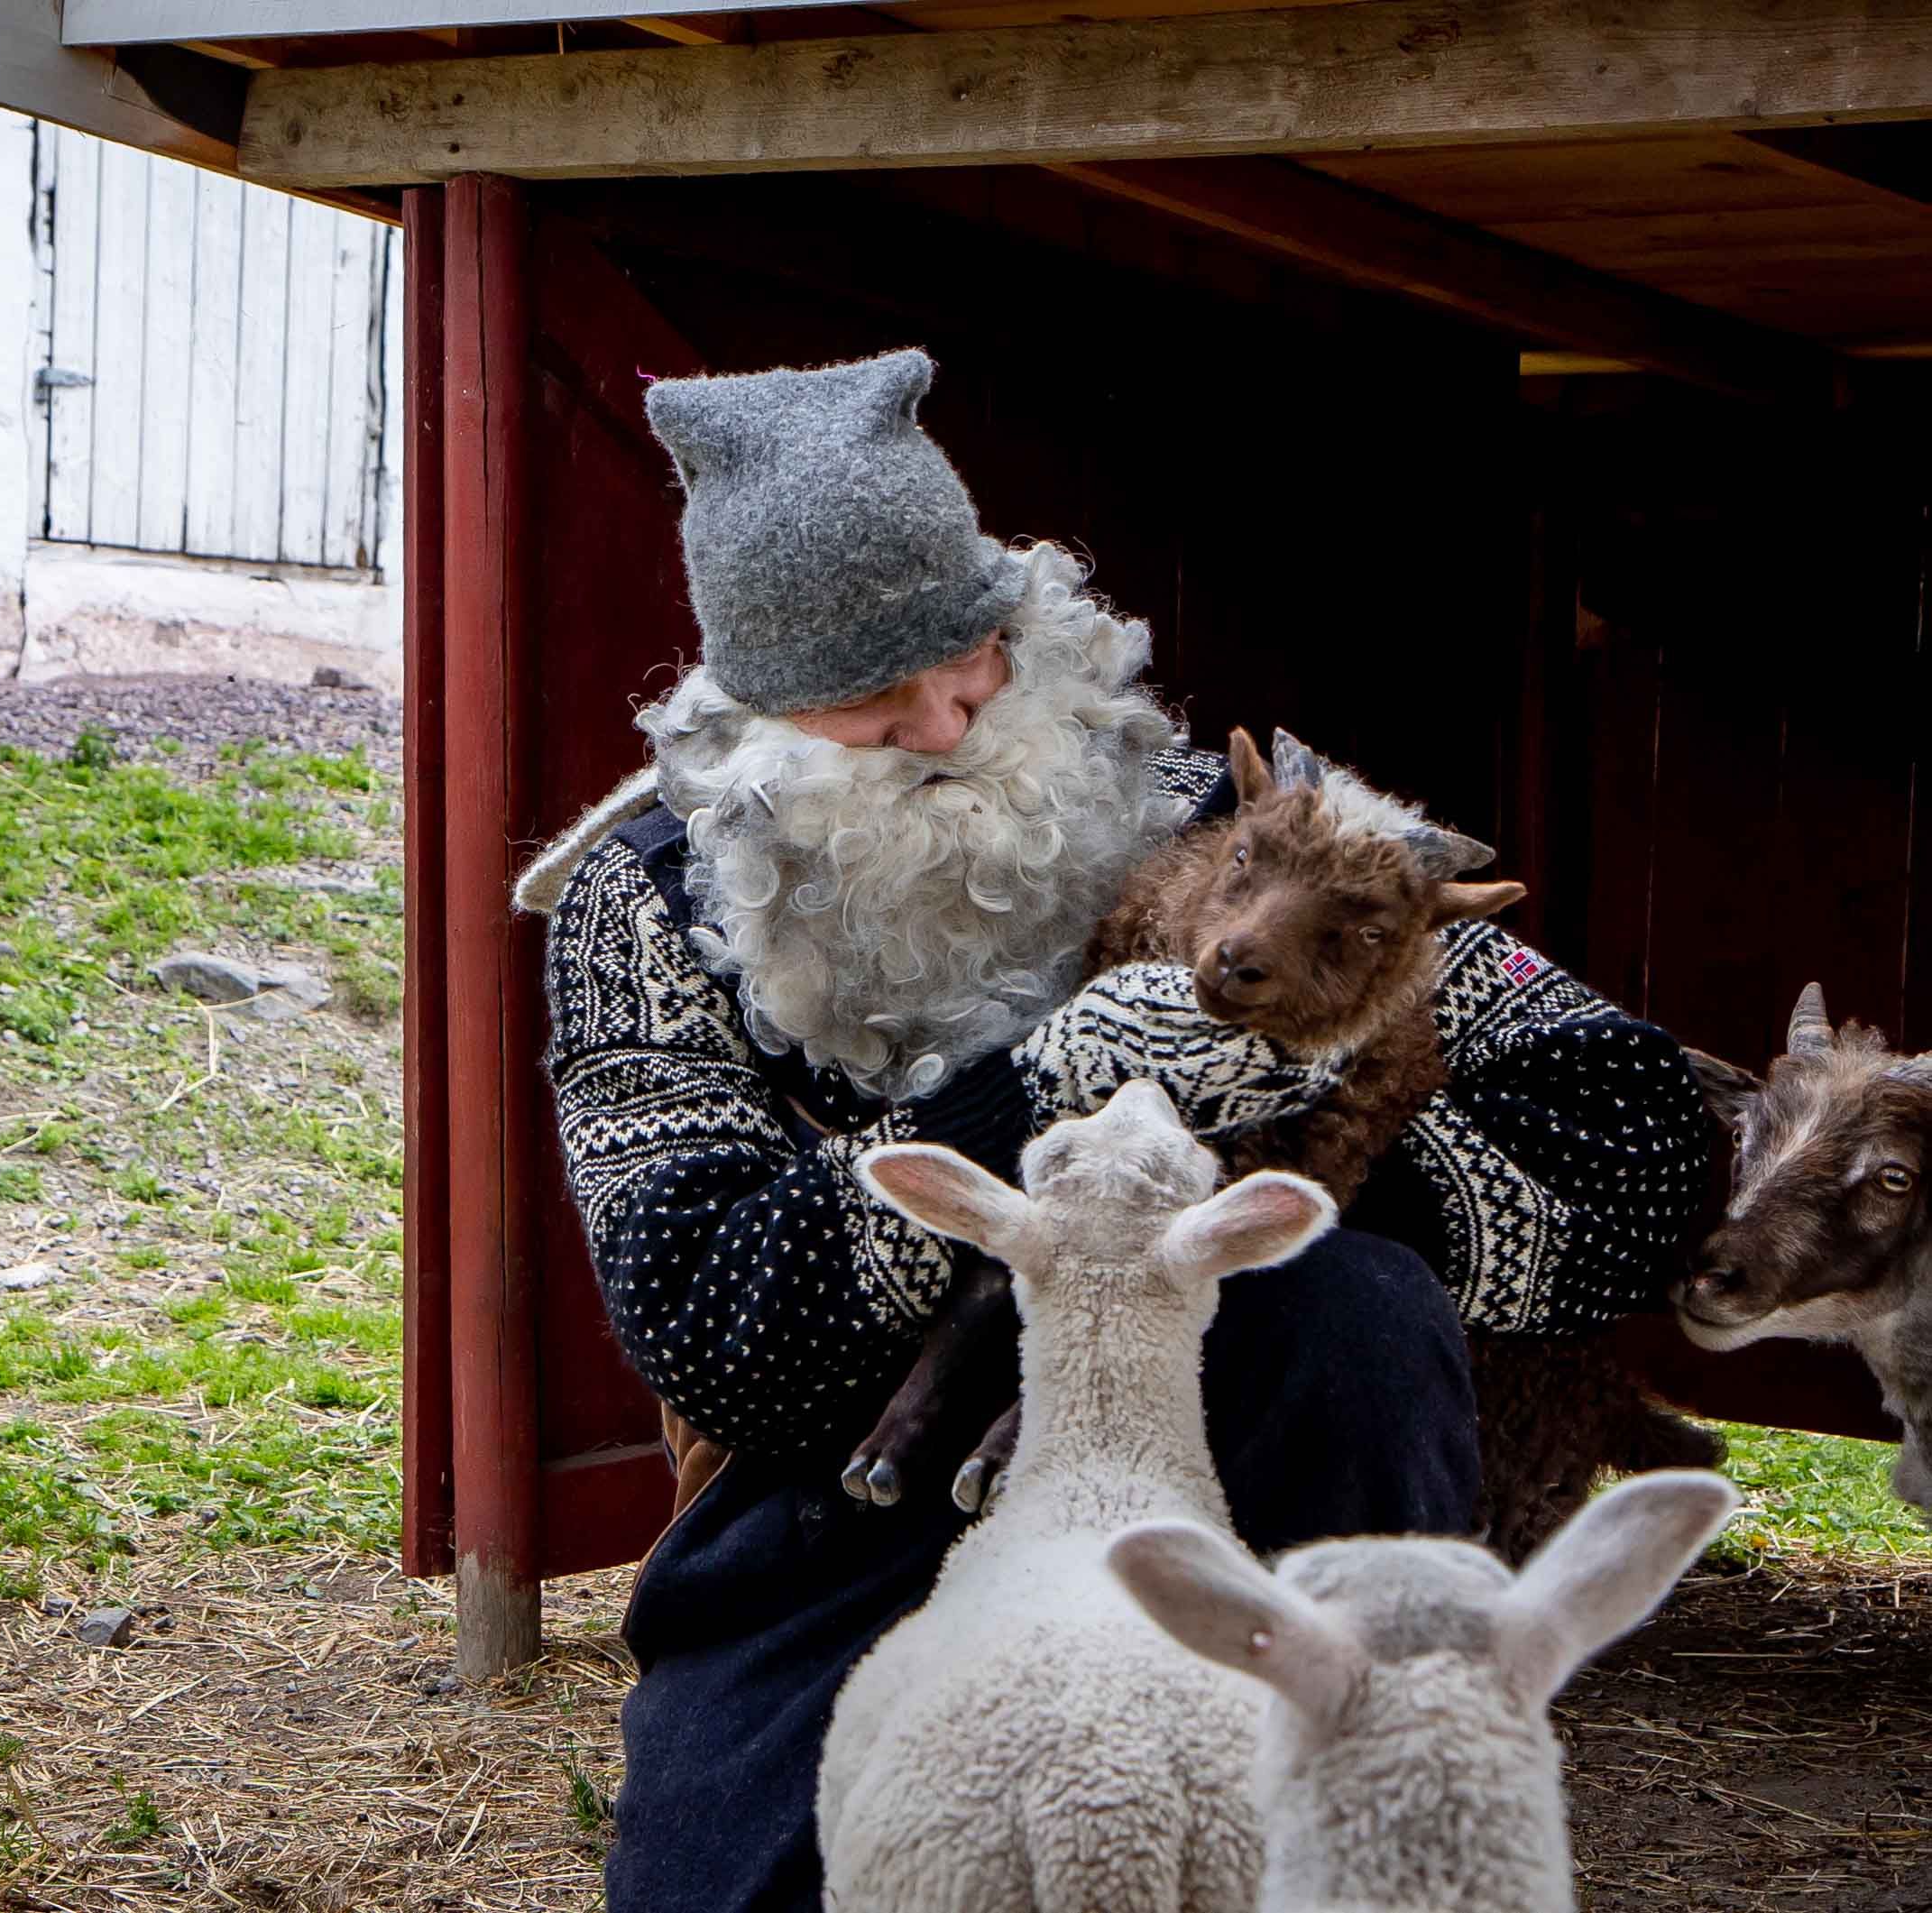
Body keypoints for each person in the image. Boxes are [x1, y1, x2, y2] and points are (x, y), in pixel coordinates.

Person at [514, 348, 1711, 1911]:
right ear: (755, 710)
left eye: (979, 659)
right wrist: (1046, 1108)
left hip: (1262, 1433)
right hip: (875, 1495)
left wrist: (1280, 1178)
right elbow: (713, 1319)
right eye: (877, 710)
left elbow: (1641, 1133)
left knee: (1347, 1307)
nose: (950, 723)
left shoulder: (1232, 827)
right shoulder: (651, 900)